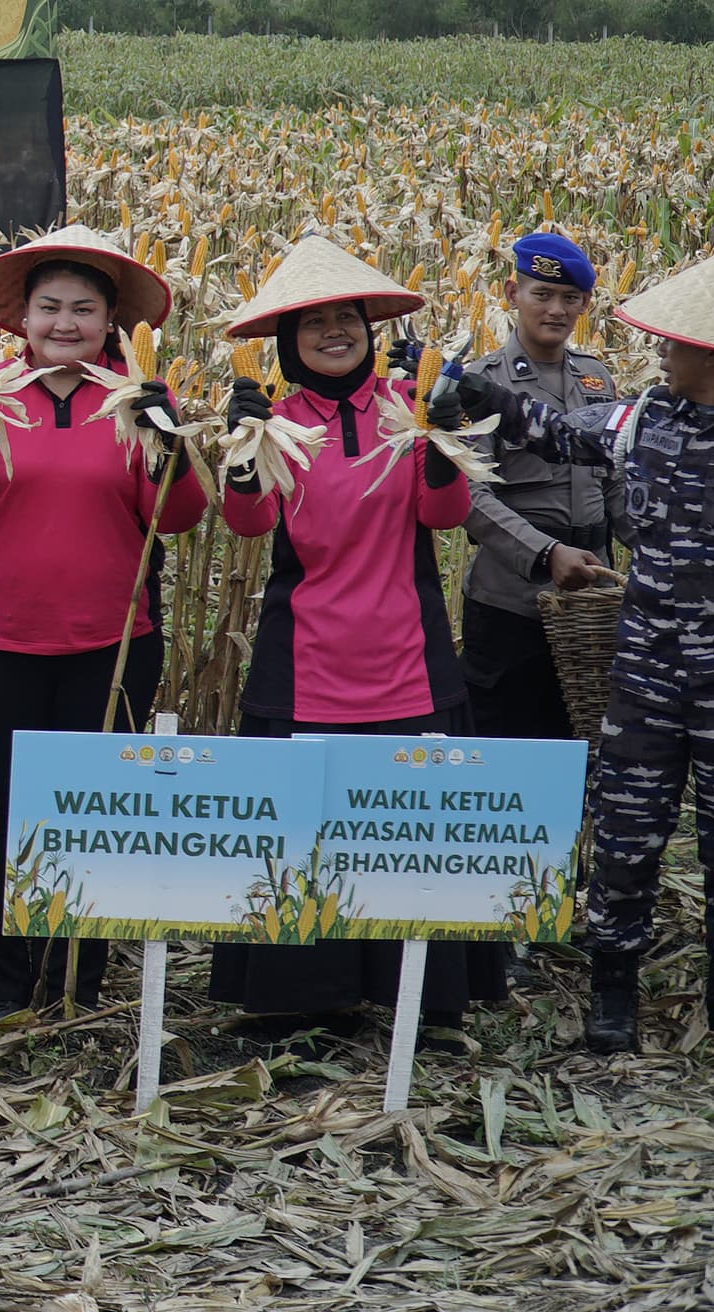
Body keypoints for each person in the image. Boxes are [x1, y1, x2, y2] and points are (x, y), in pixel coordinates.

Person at [0, 226, 207, 1023]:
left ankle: (73, 975)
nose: (64, 323)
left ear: (111, 322)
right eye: (49, 308)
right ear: (23, 319)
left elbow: (173, 517)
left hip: (113, 643)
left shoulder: (141, 402)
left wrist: (169, 444)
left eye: (83, 309)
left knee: (90, 811)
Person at [438, 252, 714, 1052]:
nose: (659, 347)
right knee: (627, 834)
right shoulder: (641, 420)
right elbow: (551, 431)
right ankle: (612, 995)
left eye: (674, 337)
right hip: (645, 674)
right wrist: (462, 388)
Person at [206, 234, 502, 1025]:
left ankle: (417, 1004)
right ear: (288, 345)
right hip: (304, 664)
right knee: (304, 835)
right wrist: (241, 451)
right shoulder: (274, 421)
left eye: (347, 319)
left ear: (370, 331)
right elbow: (248, 523)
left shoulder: (406, 410)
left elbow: (445, 514)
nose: (334, 332)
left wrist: (440, 440)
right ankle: (302, 1006)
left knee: (403, 833)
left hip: (405, 656)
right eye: (314, 325)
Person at [457, 232, 619, 741]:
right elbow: (471, 495)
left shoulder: (597, 380)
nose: (556, 310)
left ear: (586, 304)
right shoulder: (479, 383)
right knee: (506, 754)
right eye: (541, 295)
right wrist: (546, 552)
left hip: (591, 603)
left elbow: (614, 481)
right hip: (512, 602)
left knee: (583, 751)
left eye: (570, 298)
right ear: (511, 294)